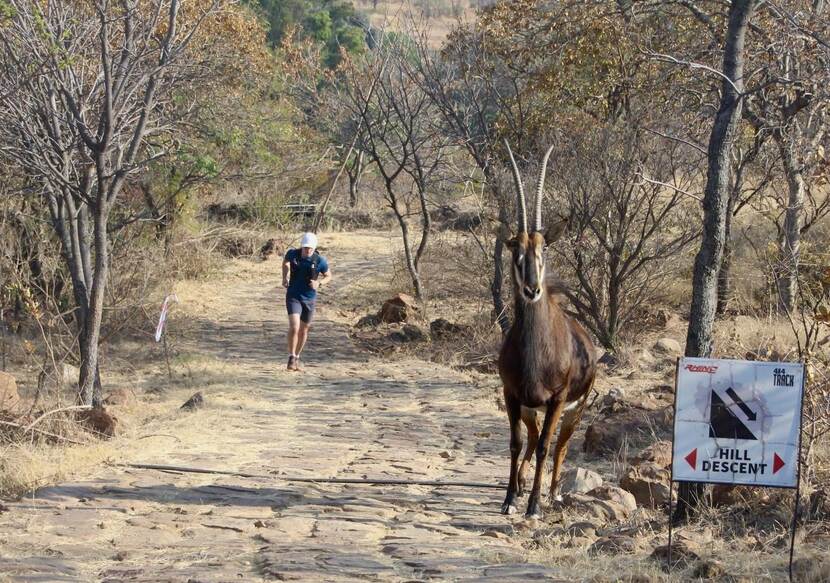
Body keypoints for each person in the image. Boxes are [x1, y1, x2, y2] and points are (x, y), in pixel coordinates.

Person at [282, 232, 331, 371]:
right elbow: (285, 262)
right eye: (305, 247)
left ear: (314, 248)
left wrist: (319, 283)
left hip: (309, 298)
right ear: (301, 246)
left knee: (304, 330)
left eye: (310, 248)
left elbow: (328, 275)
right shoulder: (293, 254)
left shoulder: (320, 260)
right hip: (293, 295)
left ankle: (297, 356)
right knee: (294, 326)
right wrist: (284, 277)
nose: (307, 250)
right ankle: (291, 357)